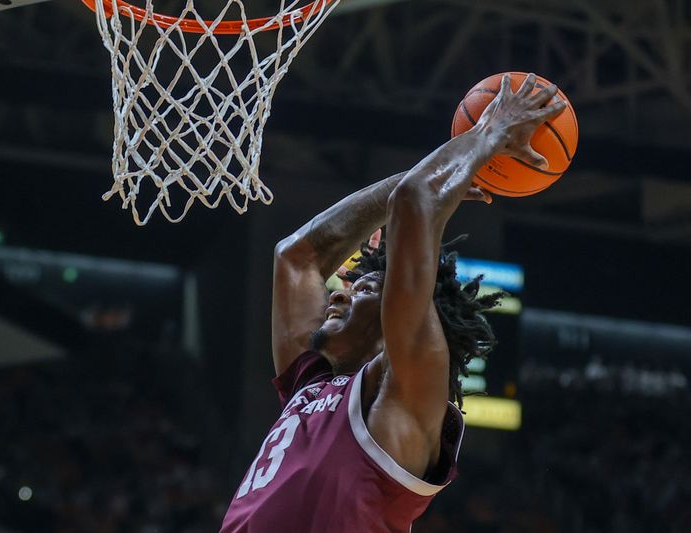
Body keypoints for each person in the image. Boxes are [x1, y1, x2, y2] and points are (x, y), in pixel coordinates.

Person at [220, 73, 565, 532]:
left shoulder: (410, 388)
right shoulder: (310, 385)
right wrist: (411, 180)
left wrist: (490, 133)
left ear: (398, 318)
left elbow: (414, 201)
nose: (337, 292)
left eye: (362, 288)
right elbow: (297, 257)